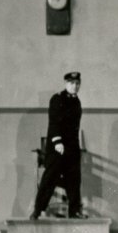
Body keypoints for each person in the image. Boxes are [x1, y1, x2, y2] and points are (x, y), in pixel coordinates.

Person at [30, 71, 85, 220]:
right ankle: (38, 210)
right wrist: (57, 141)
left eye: (77, 83)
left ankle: (74, 211)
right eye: (72, 83)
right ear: (66, 84)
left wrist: (74, 148)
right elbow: (54, 121)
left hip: (72, 148)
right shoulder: (57, 99)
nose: (75, 86)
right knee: (50, 178)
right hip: (57, 148)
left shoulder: (77, 102)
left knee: (74, 179)